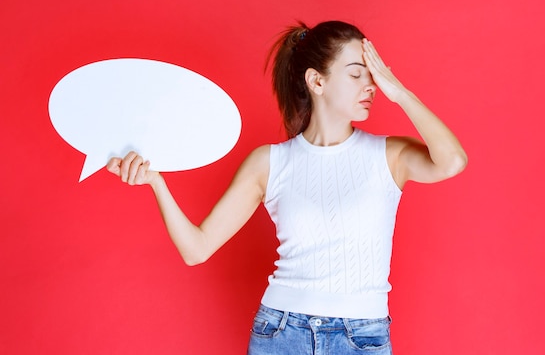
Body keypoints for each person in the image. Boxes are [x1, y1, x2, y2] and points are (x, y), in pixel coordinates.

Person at [107, 20, 467, 354]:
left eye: (373, 75)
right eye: (357, 74)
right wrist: (156, 182)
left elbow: (452, 161)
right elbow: (196, 249)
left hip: (362, 336)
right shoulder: (269, 162)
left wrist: (400, 91)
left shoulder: (390, 155)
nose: (371, 85)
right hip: (281, 332)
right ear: (317, 81)